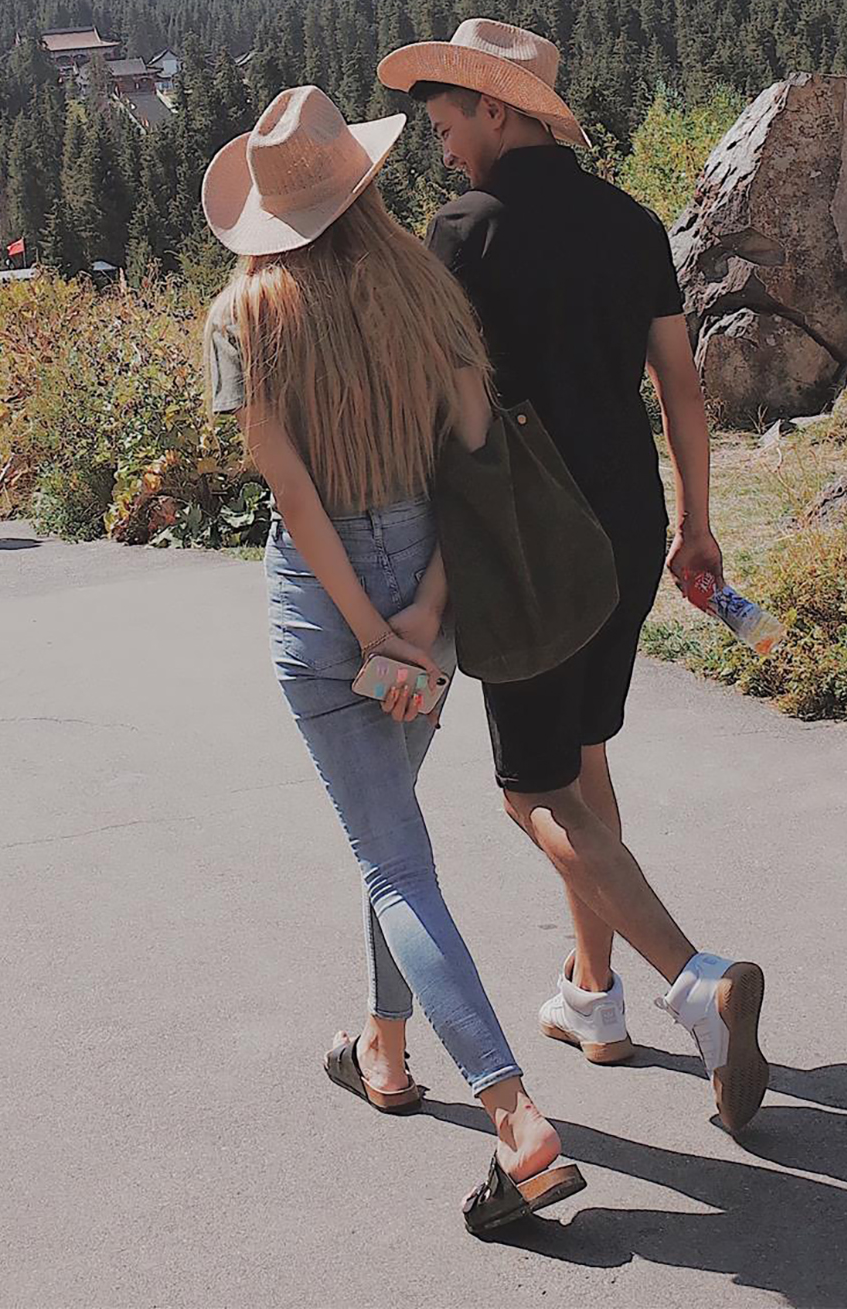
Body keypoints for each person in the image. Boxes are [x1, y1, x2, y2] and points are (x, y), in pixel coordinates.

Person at [202, 83, 585, 1241]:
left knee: (393, 862)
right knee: (395, 838)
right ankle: (384, 1046)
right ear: (361, 181)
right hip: (433, 587)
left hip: (323, 615)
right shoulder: (428, 285)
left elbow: (285, 480)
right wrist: (419, 612)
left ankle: (516, 1121)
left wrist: (361, 624)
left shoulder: (242, 314)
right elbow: (476, 459)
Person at [376, 17, 770, 1135]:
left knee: (529, 788)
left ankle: (698, 984)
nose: (444, 145)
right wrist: (700, 525)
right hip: (632, 520)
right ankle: (592, 1000)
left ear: (497, 109)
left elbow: (434, 406)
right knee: (582, 754)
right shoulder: (633, 222)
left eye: (450, 122)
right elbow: (681, 391)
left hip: (530, 534)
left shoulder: (462, 235)